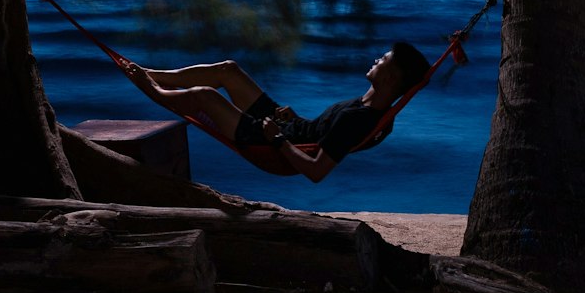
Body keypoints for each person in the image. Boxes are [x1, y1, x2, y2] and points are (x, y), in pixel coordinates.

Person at [123, 41, 430, 182]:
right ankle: (155, 74)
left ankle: (155, 91)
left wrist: (277, 139)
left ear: (390, 78)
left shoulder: (358, 120)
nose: (377, 59)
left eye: (384, 59)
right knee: (229, 70)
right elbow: (318, 132)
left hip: (269, 145)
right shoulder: (365, 106)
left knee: (206, 96)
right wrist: (294, 120)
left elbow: (316, 171)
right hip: (285, 128)